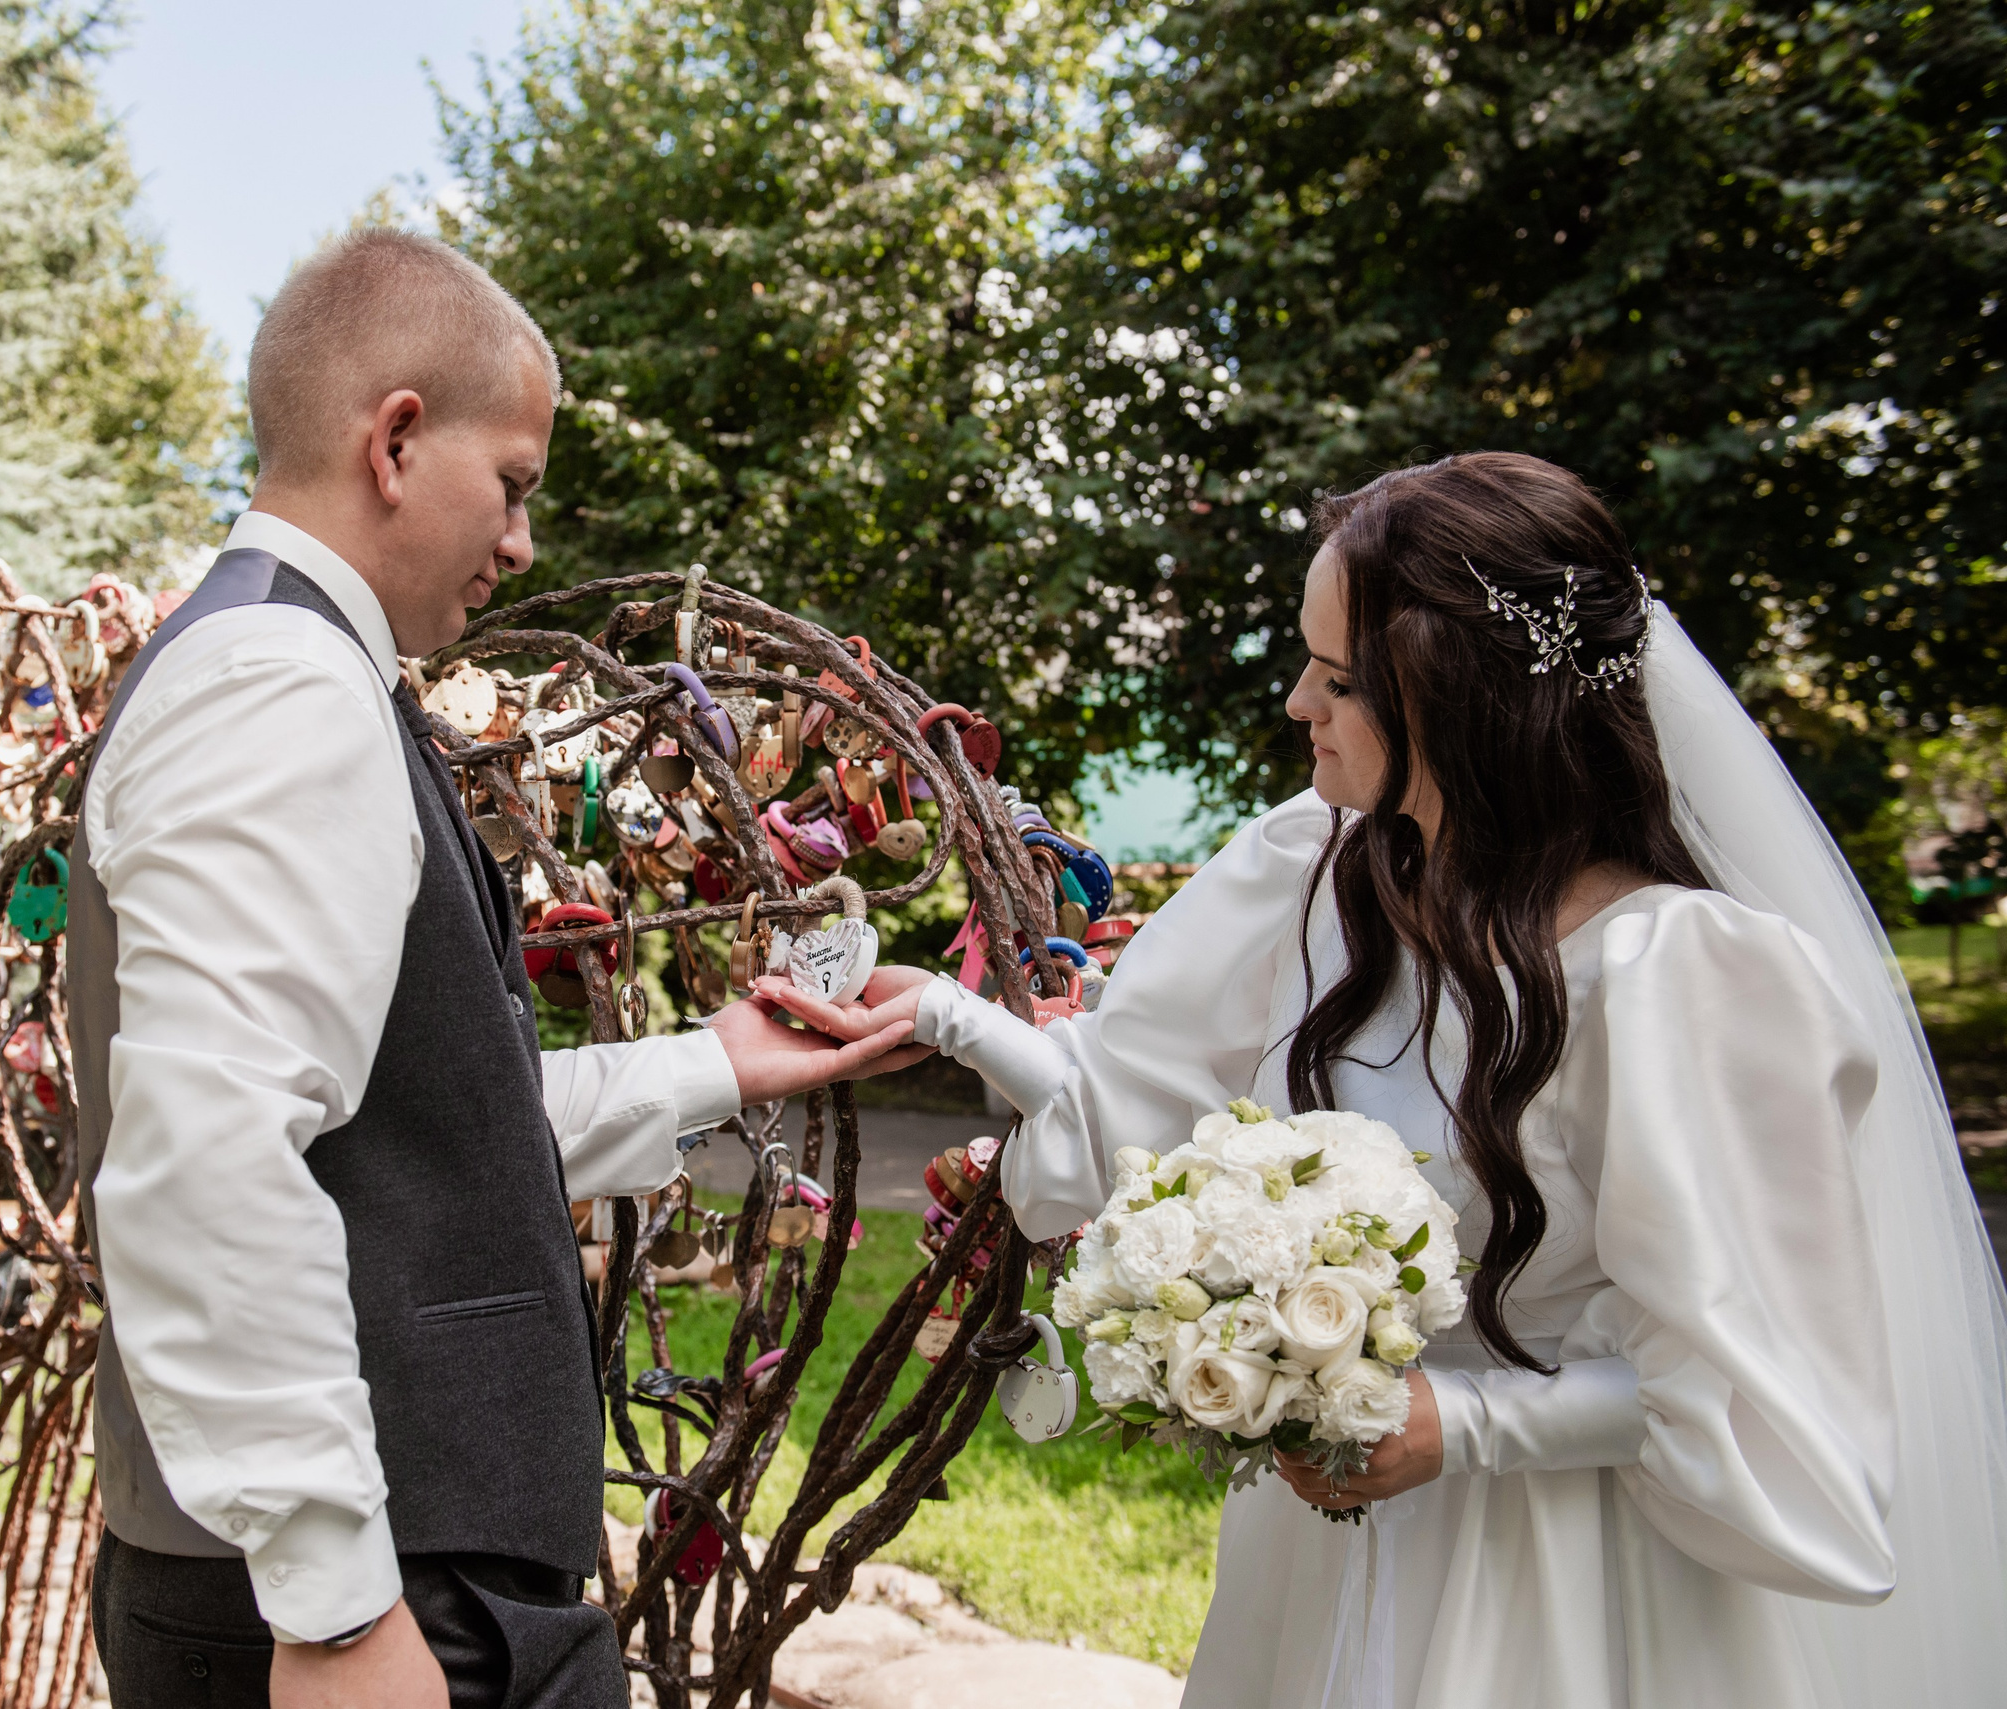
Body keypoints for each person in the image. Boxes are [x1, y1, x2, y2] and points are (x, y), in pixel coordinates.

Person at [762, 452, 2007, 1706]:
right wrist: (946, 1013)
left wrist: (1459, 1425)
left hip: (1560, 1581)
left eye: (1341, 677)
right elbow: (1120, 1102)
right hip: (1316, 1565)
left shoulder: (1682, 975)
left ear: (1467, 699)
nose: (1299, 701)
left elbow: (1752, 1396)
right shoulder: (1313, 867)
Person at [68, 230, 922, 1709]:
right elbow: (211, 1156)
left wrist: (718, 1063)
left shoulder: (276, 666)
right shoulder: (280, 684)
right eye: (515, 483)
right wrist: (336, 1612)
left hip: (388, 1573)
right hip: (369, 1599)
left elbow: (409, 1135)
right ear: (395, 439)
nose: (524, 542)